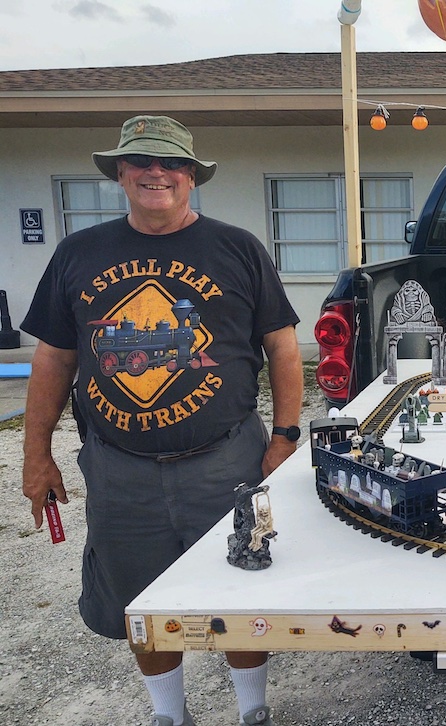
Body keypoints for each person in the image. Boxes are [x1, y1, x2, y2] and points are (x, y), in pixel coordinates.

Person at [21, 115, 303, 726]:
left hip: (228, 458)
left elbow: (282, 346)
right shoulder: (79, 252)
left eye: (171, 163)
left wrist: (284, 437)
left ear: (192, 177)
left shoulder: (237, 248)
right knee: (140, 601)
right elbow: (54, 357)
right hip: (119, 467)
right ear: (121, 173)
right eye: (142, 162)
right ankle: (168, 716)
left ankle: (253, 710)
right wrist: (34, 453)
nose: (157, 173)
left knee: (243, 585)